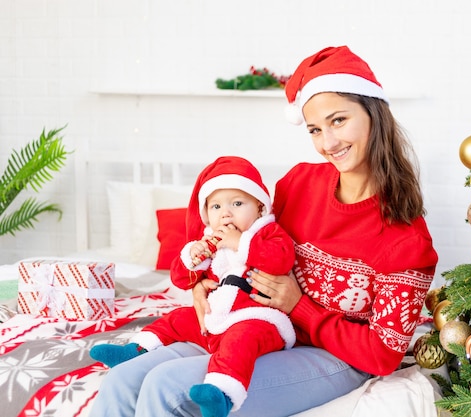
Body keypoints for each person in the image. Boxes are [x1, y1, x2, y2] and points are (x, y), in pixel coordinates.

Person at [89, 45, 438, 417]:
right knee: (121, 380)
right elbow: (242, 236)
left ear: (373, 114)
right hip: (255, 327)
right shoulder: (298, 183)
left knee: (170, 388)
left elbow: (383, 354)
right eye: (315, 129)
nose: (328, 143)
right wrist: (199, 283)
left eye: (339, 121)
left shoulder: (407, 238)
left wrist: (299, 307)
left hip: (336, 356)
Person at [90, 156, 296, 417]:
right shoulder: (209, 242)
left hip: (258, 319)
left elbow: (281, 259)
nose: (226, 213)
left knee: (240, 342)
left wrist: (239, 242)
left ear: (259, 207)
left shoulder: (267, 234)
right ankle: (136, 350)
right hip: (214, 320)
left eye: (237, 203)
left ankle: (220, 394)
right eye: (216, 206)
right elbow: (178, 278)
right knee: (177, 318)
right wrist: (193, 258)